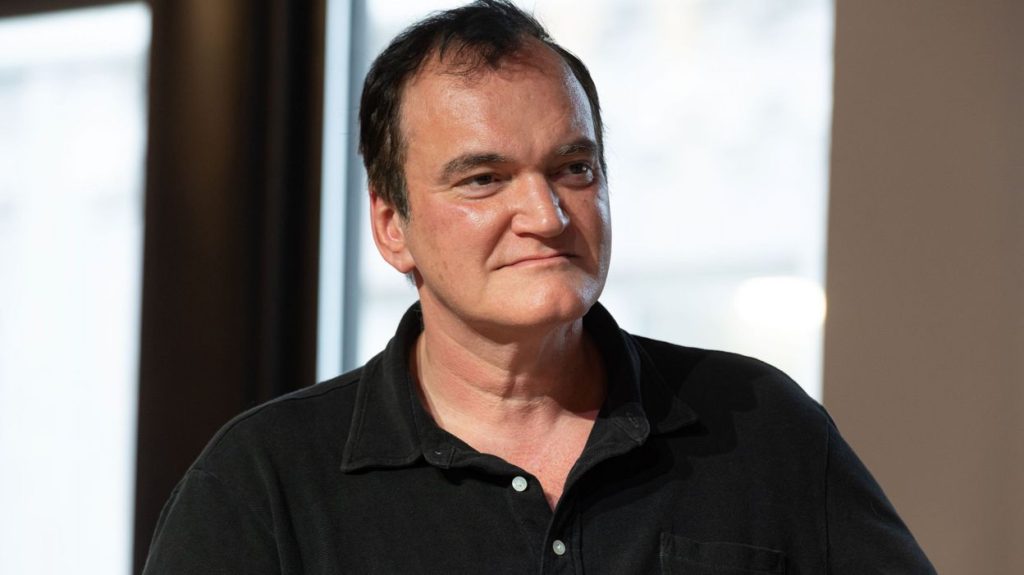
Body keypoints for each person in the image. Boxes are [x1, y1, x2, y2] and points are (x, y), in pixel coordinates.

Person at [142, 1, 935, 572]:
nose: (547, 215)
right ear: (391, 225)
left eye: (574, 168)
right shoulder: (263, 482)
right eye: (483, 179)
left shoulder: (763, 428)